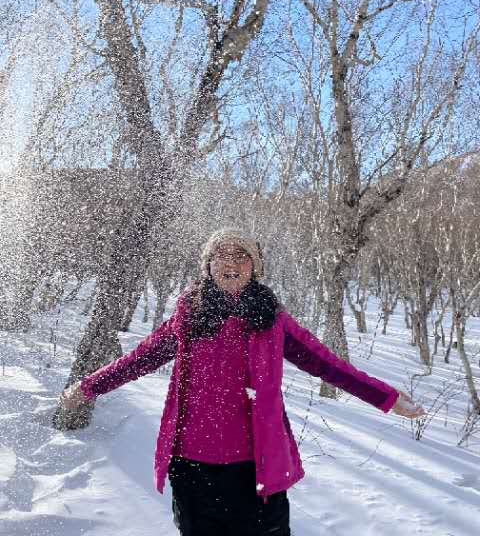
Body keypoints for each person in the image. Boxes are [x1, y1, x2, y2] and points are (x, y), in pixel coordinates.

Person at [61, 228, 425, 536]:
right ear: (208, 265)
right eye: (221, 255)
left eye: (241, 256)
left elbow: (327, 365)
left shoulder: (273, 321)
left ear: (255, 266)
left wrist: (386, 397)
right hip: (192, 467)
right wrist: (88, 386)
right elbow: (138, 360)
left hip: (255, 467)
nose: (231, 263)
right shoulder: (187, 316)